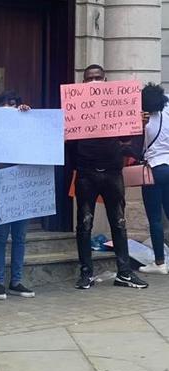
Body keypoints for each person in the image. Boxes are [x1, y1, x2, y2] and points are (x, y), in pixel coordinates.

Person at [69, 65, 148, 289]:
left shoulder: (116, 106)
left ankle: (124, 272)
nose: (94, 82)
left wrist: (138, 124)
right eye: (89, 78)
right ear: (83, 82)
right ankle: (86, 273)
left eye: (97, 78)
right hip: (86, 174)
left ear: (106, 79)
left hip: (112, 173)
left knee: (119, 222)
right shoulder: (75, 107)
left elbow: (126, 135)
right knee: (84, 224)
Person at [0, 90, 36, 300]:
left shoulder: (27, 124)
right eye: (5, 104)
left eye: (14, 103)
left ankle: (16, 281)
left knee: (20, 237)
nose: (10, 107)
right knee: (1, 237)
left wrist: (28, 116)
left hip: (23, 185)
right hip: (2, 185)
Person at [138, 83, 169, 275]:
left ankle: (160, 263)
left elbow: (137, 147)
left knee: (155, 218)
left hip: (153, 169)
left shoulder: (145, 123)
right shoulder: (167, 116)